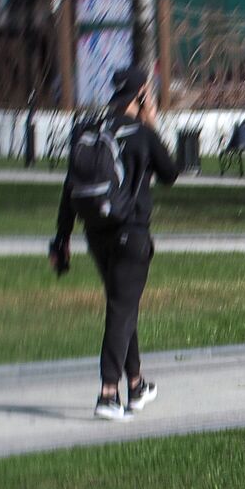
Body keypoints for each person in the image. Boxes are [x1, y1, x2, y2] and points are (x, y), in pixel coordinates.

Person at [50, 66, 180, 421]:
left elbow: (69, 187)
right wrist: (151, 124)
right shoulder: (142, 133)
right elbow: (170, 173)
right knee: (122, 309)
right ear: (141, 95)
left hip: (96, 233)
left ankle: (135, 384)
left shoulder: (89, 129)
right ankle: (109, 393)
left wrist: (62, 237)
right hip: (131, 232)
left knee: (124, 305)